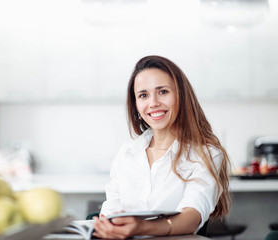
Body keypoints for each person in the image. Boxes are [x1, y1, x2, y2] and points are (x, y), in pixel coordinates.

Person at [92, 55, 231, 239]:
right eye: (143, 95)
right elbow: (111, 209)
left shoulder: (206, 154)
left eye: (163, 92)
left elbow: (192, 217)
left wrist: (141, 227)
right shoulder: (127, 153)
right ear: (136, 106)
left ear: (181, 96)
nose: (153, 103)